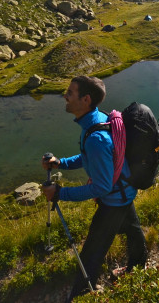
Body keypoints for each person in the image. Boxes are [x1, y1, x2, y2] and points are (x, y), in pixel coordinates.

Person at [42, 75, 147, 301]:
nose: (65, 96)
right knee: (132, 227)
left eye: (70, 93)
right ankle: (138, 267)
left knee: (91, 253)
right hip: (124, 191)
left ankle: (80, 295)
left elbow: (100, 187)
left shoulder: (96, 137)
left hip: (114, 200)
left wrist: (61, 193)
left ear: (86, 99)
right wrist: (61, 163)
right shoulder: (96, 120)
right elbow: (89, 156)